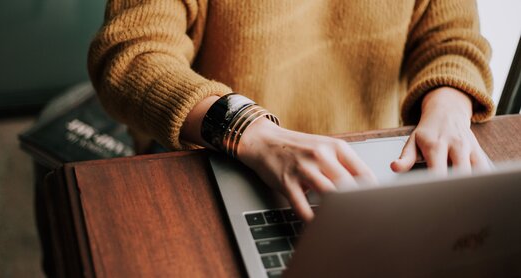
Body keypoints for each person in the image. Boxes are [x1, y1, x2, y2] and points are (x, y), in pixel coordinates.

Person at [88, 0, 495, 221]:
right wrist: (250, 131)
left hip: (372, 170)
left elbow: (453, 36)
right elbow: (132, 55)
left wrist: (449, 105)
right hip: (219, 158)